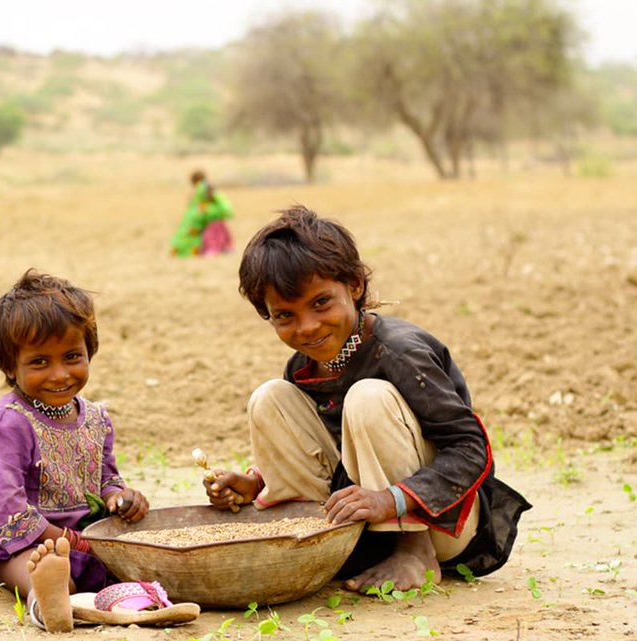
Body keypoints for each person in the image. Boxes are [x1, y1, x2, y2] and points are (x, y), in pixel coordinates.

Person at [205, 206, 531, 592]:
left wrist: (390, 501)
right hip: (363, 528)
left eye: (321, 303)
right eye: (284, 315)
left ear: (355, 286)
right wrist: (258, 481)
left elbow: (470, 448)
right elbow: (325, 444)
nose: (307, 326)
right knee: (270, 397)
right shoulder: (303, 365)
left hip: (441, 523)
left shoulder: (400, 352)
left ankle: (413, 552)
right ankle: (310, 541)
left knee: (368, 397)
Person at [0, 269, 150, 632]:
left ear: (89, 351)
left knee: (143, 563)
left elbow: (105, 476)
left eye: (72, 356)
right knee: (50, 574)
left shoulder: (95, 417)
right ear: (8, 366)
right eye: (39, 362)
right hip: (18, 545)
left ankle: (114, 598)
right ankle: (45, 602)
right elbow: (5, 510)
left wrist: (120, 497)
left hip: (87, 540)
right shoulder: (9, 422)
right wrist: (67, 541)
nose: (60, 374)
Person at [170, 170, 234, 257]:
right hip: (214, 220)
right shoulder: (206, 189)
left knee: (211, 236)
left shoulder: (202, 190)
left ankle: (214, 250)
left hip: (210, 220)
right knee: (221, 236)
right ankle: (224, 249)